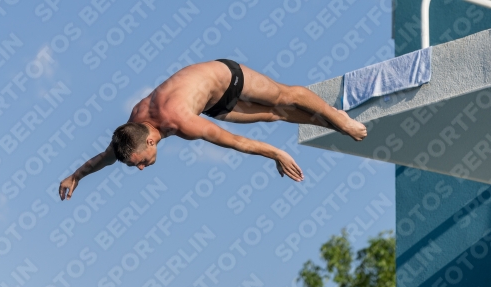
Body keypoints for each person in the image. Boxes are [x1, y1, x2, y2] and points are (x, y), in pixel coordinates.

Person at [59, 59, 367, 200]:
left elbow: (234, 142)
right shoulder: (129, 134)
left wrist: (277, 153)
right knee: (275, 116)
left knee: (284, 96)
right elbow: (104, 157)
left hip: (225, 77)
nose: (141, 167)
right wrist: (76, 176)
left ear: (151, 140)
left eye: (140, 161)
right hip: (209, 103)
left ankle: (341, 120)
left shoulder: (182, 122)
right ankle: (337, 125)